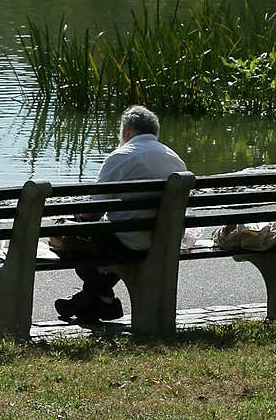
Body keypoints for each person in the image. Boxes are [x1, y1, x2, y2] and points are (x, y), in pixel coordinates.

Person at [53, 105, 187, 326]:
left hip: (126, 242)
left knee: (70, 237)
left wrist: (76, 216)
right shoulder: (174, 159)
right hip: (165, 241)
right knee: (100, 234)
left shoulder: (121, 156)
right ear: (155, 132)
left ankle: (101, 299)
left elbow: (92, 214)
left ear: (126, 131)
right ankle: (95, 303)